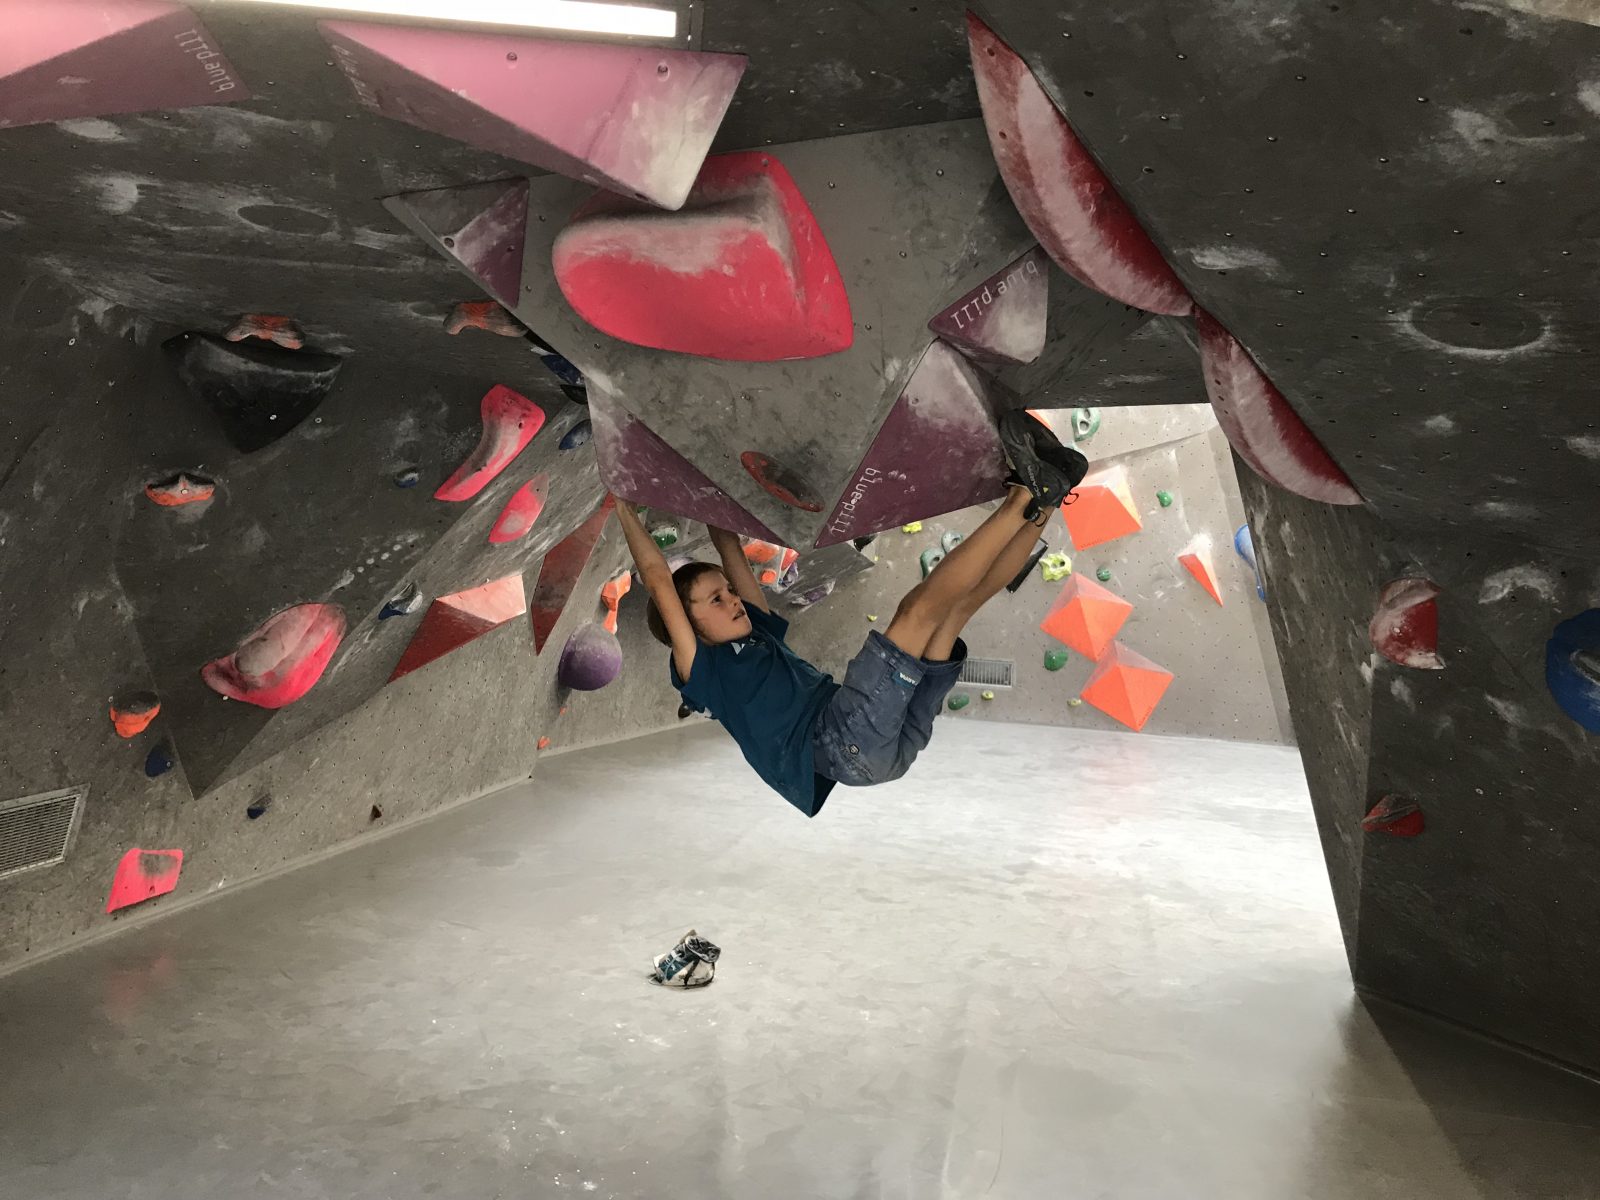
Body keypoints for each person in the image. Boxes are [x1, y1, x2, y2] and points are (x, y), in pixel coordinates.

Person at [613, 410, 1087, 818]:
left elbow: (726, 542)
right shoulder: (702, 670)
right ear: (687, 627)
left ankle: (1045, 501)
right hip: (842, 742)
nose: (735, 598)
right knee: (916, 612)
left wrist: (698, 471)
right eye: (717, 600)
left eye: (729, 591)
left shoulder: (757, 631)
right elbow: (658, 578)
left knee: (956, 610)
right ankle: (1024, 494)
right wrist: (622, 503)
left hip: (881, 748)